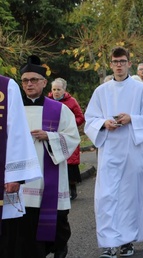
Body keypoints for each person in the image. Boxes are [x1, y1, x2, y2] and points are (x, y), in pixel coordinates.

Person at [84, 46, 143, 258]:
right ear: (111, 64)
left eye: (122, 61)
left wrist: (132, 118)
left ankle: (127, 241)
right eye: (115, 62)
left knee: (129, 197)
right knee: (106, 196)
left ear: (129, 63)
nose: (119, 65)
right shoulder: (101, 92)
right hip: (109, 151)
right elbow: (90, 119)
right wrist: (104, 123)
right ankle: (108, 243)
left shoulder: (141, 90)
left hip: (134, 151)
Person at [18, 55, 80, 258]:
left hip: (50, 174)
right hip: (23, 179)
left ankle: (59, 248)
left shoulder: (59, 109)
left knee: (57, 220)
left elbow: (73, 137)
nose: (29, 84)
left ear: (44, 83)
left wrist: (50, 137)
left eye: (34, 80)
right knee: (26, 224)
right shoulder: (13, 109)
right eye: (25, 80)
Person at [0, 75, 42, 258]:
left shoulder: (6, 86)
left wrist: (15, 175)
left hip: (3, 174)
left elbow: (16, 130)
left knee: (5, 235)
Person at [48, 78, 85, 200]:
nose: (56, 92)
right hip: (52, 136)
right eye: (54, 89)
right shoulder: (47, 101)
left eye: (59, 89)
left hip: (68, 136)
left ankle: (72, 188)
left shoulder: (71, 102)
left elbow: (80, 117)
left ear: (64, 90)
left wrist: (70, 125)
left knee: (70, 165)